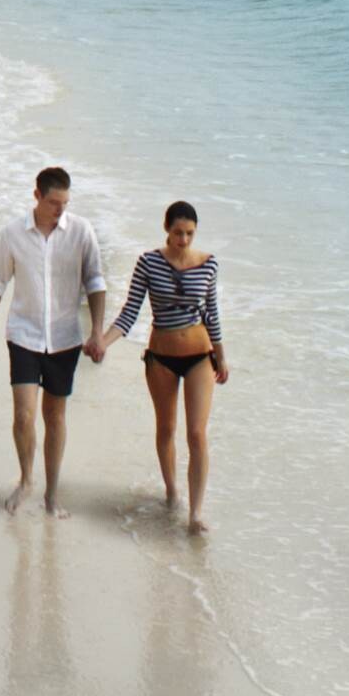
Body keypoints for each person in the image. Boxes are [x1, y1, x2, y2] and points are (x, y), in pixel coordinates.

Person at [0, 164, 107, 513]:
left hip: (65, 338)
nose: (60, 209)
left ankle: (52, 493)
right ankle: (26, 479)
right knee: (23, 415)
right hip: (24, 334)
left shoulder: (81, 232)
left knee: (55, 416)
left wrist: (97, 333)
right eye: (53, 202)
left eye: (64, 202)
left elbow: (95, 282)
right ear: (37, 197)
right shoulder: (14, 234)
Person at [107, 199, 226, 526]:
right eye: (177, 233)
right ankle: (172, 490)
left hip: (200, 356)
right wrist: (102, 342)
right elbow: (130, 312)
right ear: (166, 230)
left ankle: (196, 512)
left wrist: (222, 357)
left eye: (189, 233)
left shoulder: (208, 264)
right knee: (166, 427)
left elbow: (212, 314)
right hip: (161, 357)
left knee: (197, 434)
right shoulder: (148, 263)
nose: (183, 240)